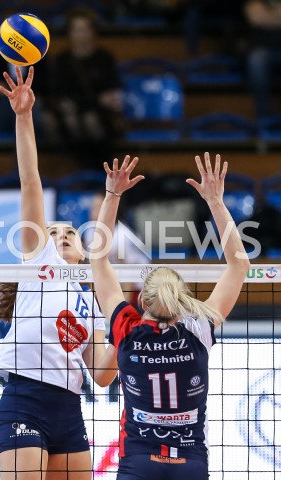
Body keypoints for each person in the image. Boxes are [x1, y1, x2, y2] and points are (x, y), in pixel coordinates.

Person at [90, 153, 250, 479]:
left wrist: (112, 195)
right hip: (189, 462)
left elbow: (98, 259)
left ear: (142, 300)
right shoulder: (199, 328)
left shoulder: (127, 328)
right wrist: (215, 201)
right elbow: (239, 264)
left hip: (139, 460)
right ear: (183, 299)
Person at [0, 66, 117, 480]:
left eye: (69, 233)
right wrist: (23, 116)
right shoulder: (38, 261)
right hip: (24, 399)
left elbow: (101, 375)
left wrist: (125, 328)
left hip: (70, 408)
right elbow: (31, 181)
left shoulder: (94, 305)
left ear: (84, 253)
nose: (60, 235)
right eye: (53, 231)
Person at [52, 8, 124, 169]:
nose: (81, 34)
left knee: (91, 120)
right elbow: (57, 91)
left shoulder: (104, 58)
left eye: (85, 29)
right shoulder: (63, 60)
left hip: (100, 113)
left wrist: (111, 98)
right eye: (77, 30)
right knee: (70, 121)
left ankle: (99, 169)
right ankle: (81, 169)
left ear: (93, 32)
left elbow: (113, 88)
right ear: (70, 33)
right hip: (71, 112)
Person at [244, 0, 281, 118]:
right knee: (256, 60)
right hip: (263, 51)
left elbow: (262, 18)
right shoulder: (256, 2)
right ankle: (264, 117)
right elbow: (256, 18)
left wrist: (268, 16)